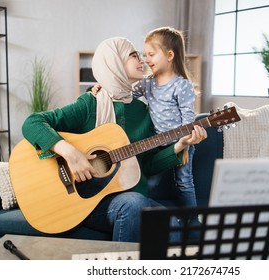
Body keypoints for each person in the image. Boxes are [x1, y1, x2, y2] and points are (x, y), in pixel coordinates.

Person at [21, 37, 207, 242]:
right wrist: (69, 152)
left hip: (132, 197)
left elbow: (147, 164)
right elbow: (33, 122)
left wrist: (181, 145)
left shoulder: (141, 111)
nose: (142, 60)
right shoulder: (90, 103)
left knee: (174, 230)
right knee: (134, 204)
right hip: (89, 202)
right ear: (114, 62)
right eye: (133, 55)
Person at [132, 27, 198, 214]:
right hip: (157, 143)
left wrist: (184, 146)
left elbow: (188, 119)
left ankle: (192, 219)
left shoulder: (181, 85)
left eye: (151, 54)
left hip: (181, 141)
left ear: (169, 55)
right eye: (145, 55)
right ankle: (143, 212)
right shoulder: (147, 83)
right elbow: (126, 94)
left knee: (184, 181)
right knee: (149, 181)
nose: (146, 59)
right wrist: (100, 89)